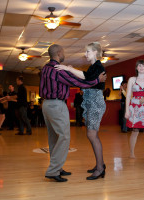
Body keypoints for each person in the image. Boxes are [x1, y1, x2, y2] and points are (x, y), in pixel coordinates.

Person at [40, 44, 106, 182]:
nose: (85, 54)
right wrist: (96, 80)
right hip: (56, 105)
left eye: (87, 51)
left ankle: (99, 167)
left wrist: (69, 69)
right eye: (63, 52)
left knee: (55, 138)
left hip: (47, 105)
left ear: (95, 52)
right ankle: (54, 170)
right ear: (58, 53)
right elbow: (80, 81)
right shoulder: (57, 69)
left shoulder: (46, 68)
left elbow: (84, 77)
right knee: (63, 137)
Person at [125, 60, 144, 161]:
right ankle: (132, 153)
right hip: (135, 108)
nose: (141, 67)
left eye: (143, 65)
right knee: (135, 131)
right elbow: (128, 95)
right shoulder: (132, 79)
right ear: (136, 68)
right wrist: (127, 110)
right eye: (139, 65)